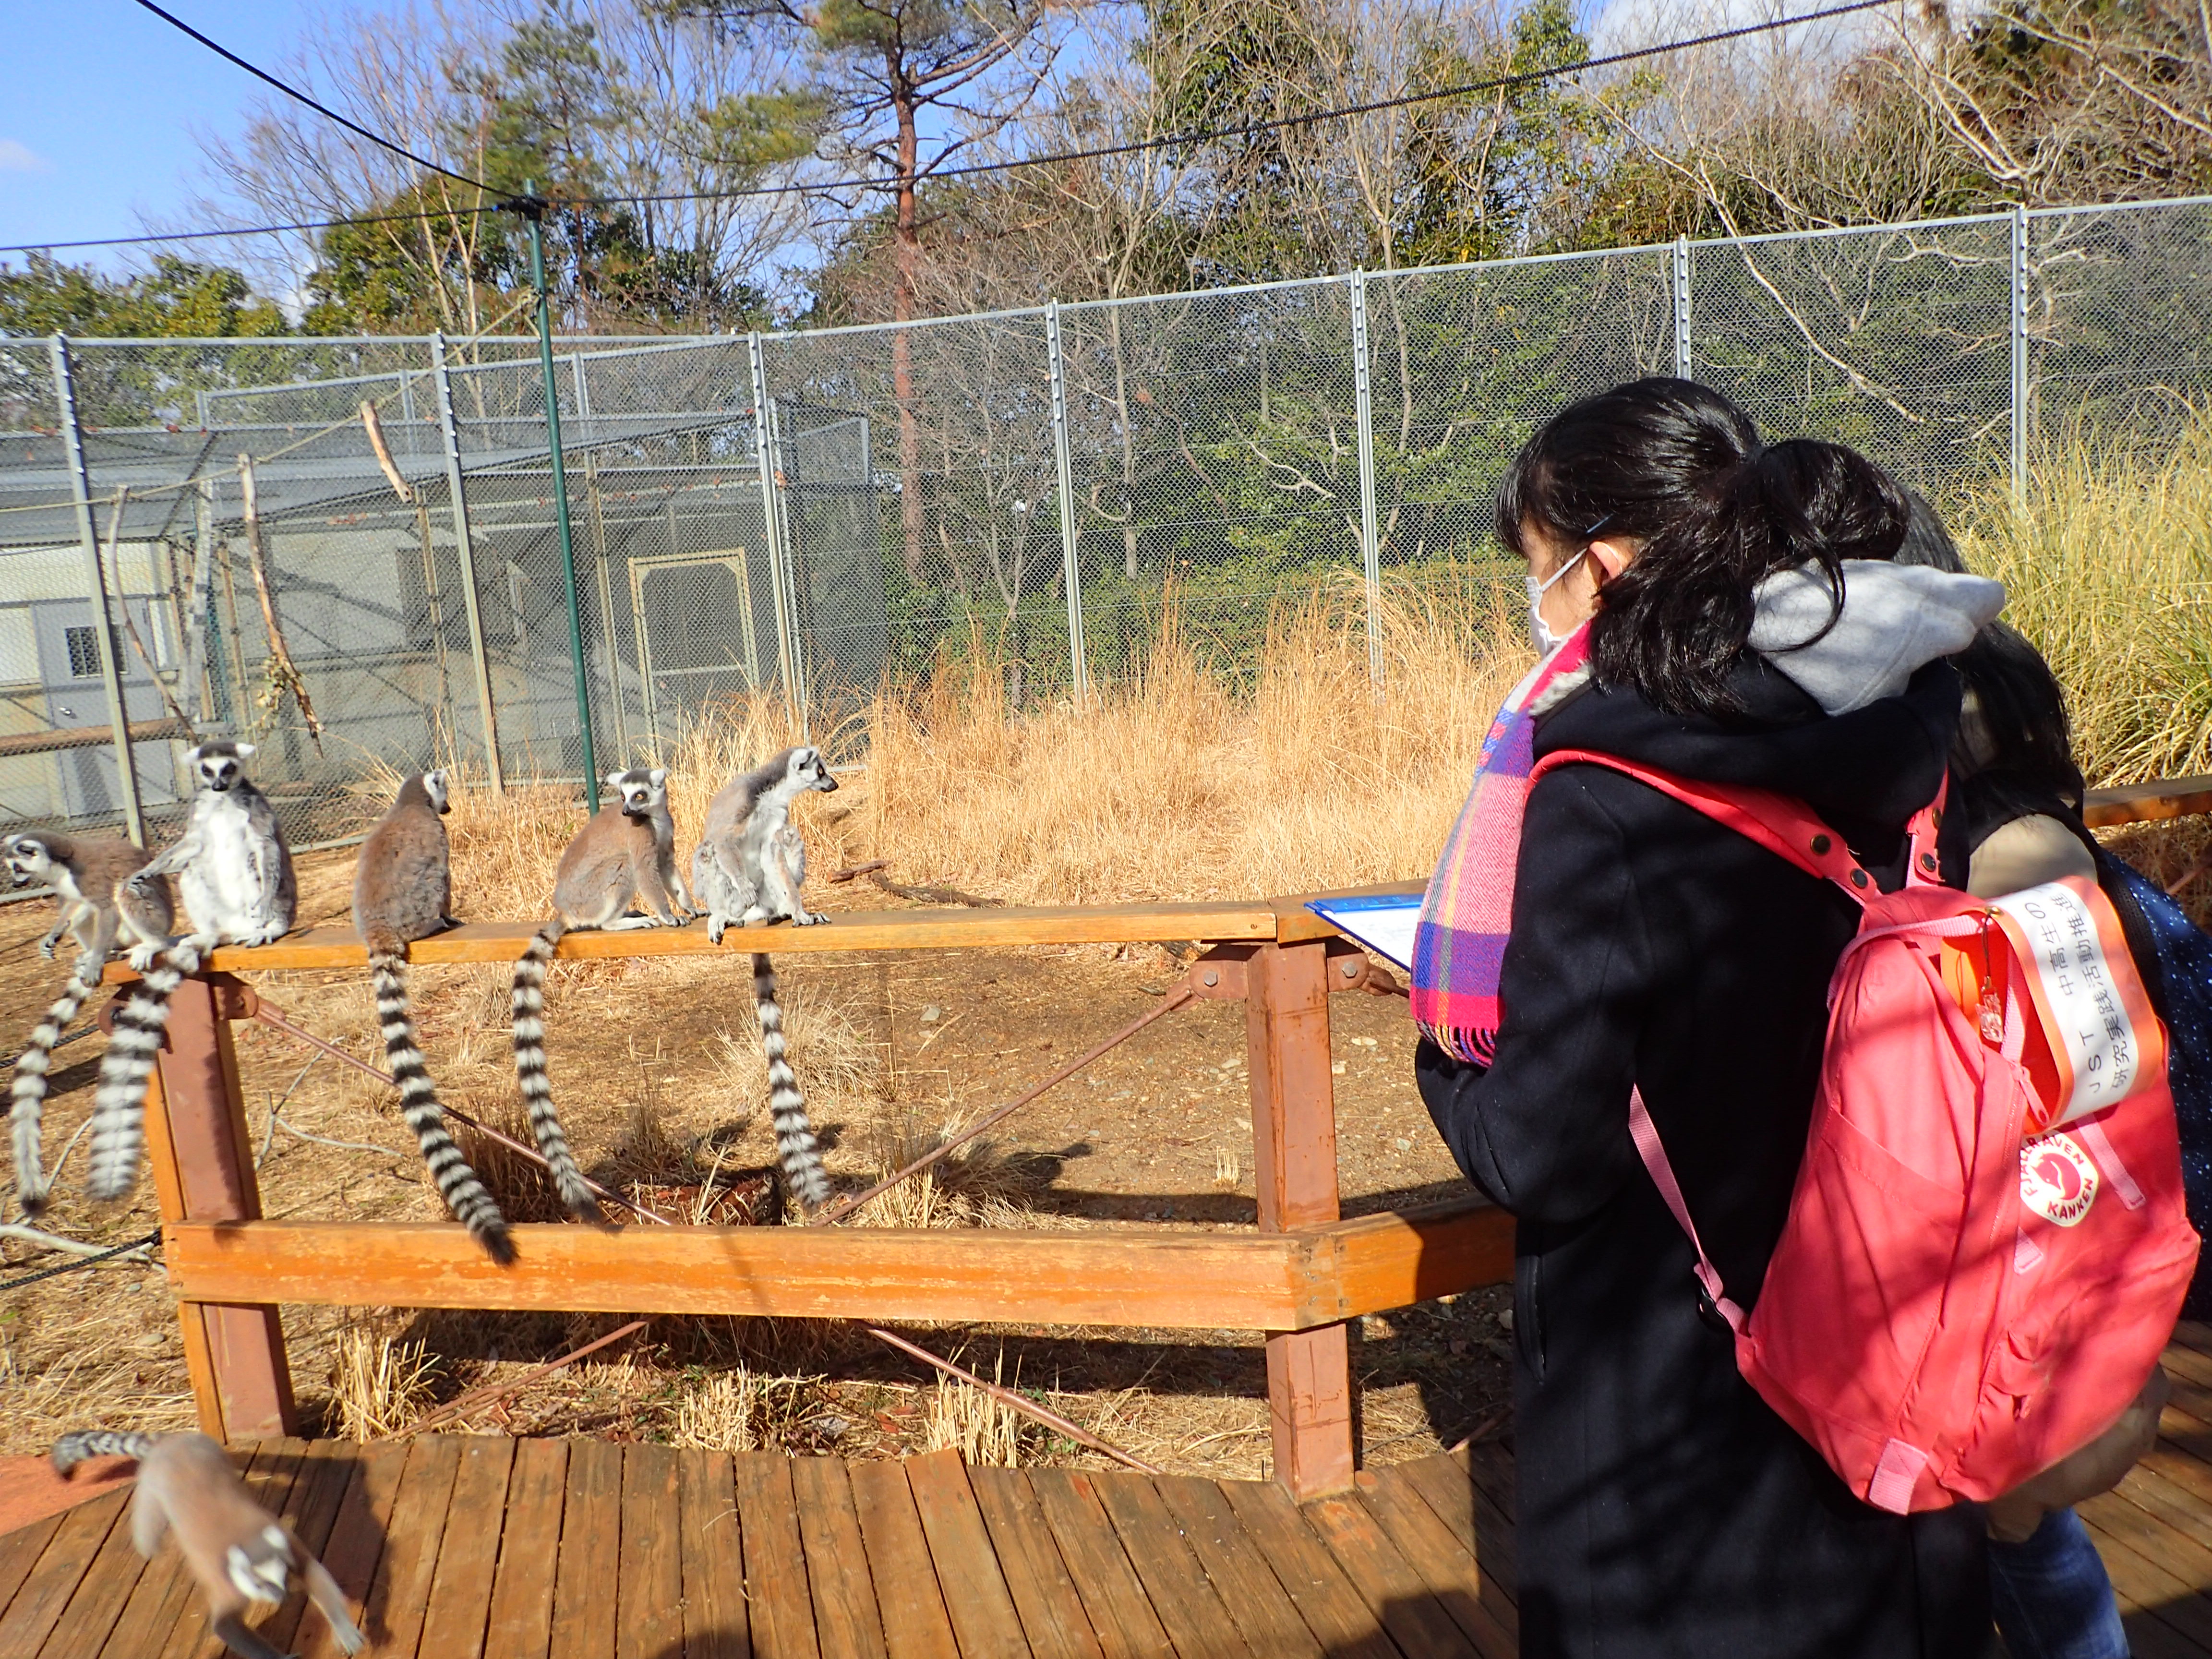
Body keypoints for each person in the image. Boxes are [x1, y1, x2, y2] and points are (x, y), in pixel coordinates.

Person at [1412, 380, 2006, 1657]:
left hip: (1678, 1423)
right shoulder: (1912, 717)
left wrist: (1440, 1062)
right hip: (1904, 1357)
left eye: (1542, 572)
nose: (1543, 608)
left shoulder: (1605, 786)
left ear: (1605, 566)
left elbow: (1544, 1151)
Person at [1896, 496, 2197, 1659]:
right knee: (2033, 1496)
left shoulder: (1931, 694)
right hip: (2090, 1070)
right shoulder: (2002, 654)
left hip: (2030, 1092)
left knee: (2016, 1497)